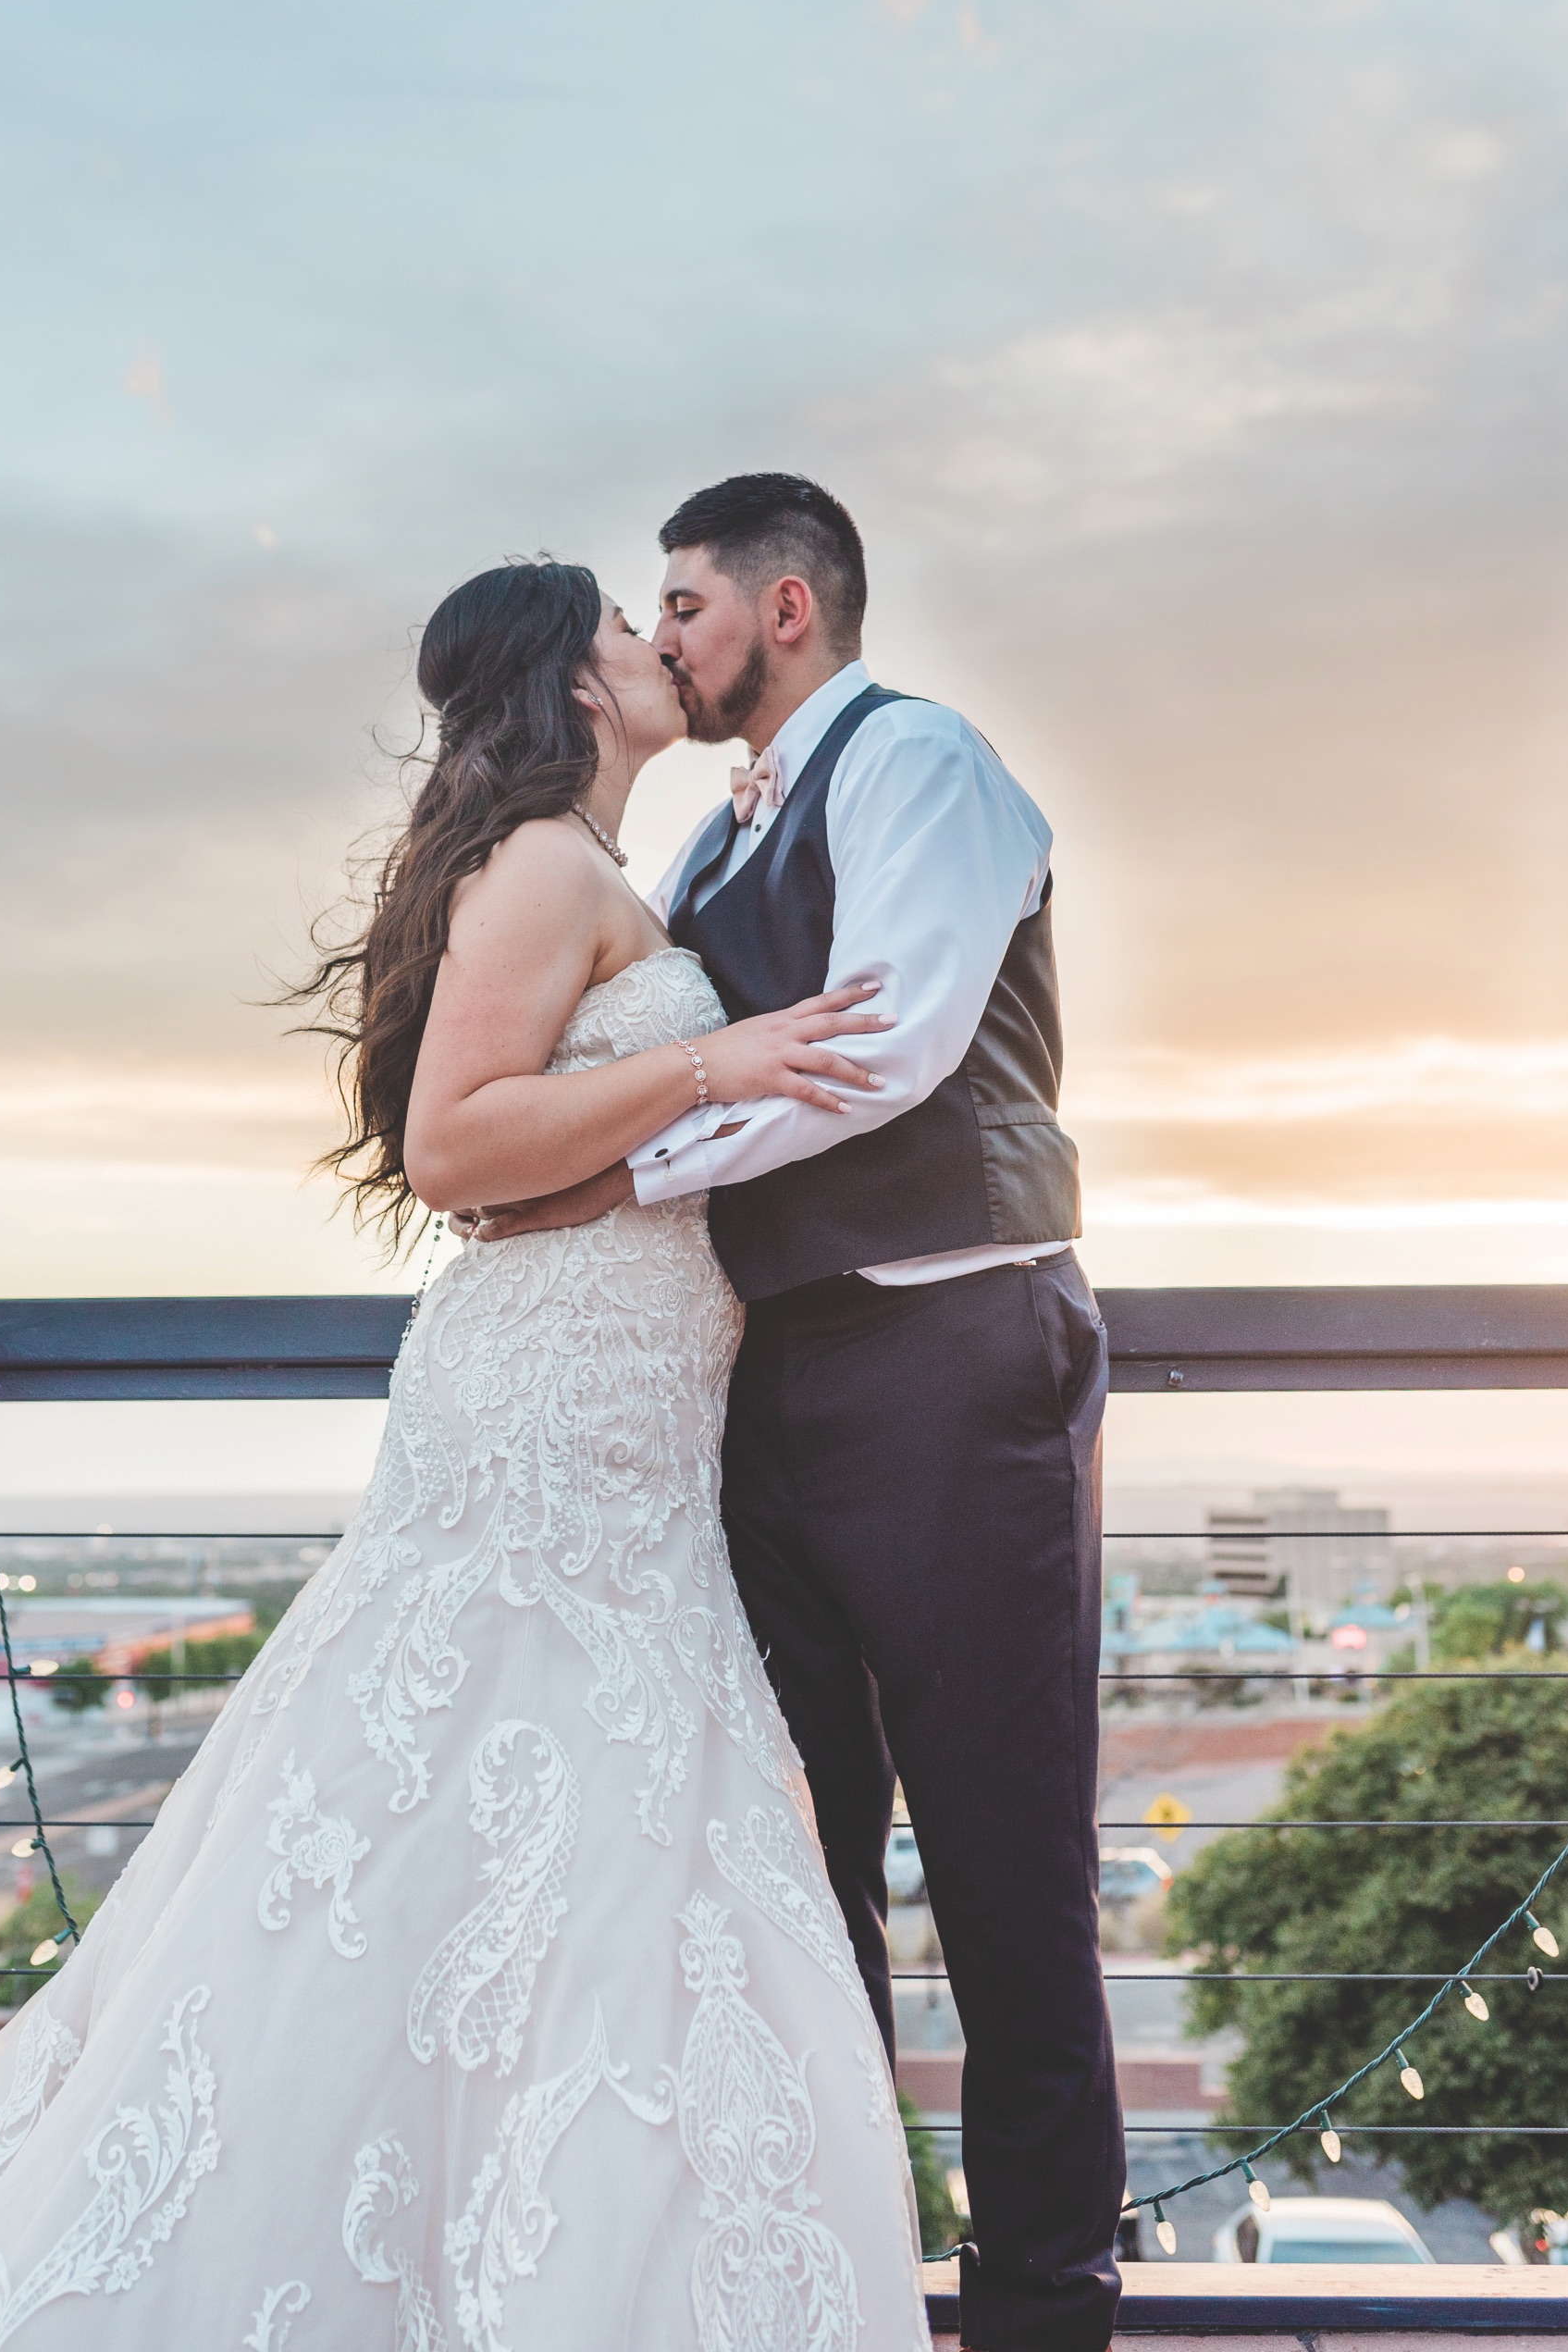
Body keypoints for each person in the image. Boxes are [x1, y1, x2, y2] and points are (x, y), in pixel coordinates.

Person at [0, 562, 928, 2352]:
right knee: (521, 1809)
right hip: (549, 1417)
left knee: (531, 1830)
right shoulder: (546, 863)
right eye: (625, 623)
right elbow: (454, 1145)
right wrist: (721, 1069)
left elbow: (529, 1181)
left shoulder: (608, 874)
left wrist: (659, 1152)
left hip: (623, 1406)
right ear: (570, 680)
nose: (652, 642)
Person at [472, 477, 1125, 2352]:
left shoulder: (922, 766)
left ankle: (1038, 2305)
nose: (658, 635)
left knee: (1007, 1858)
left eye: (680, 602)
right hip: (773, 1384)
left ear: (783, 604)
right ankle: (836, 2279)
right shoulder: (705, 850)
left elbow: (886, 1045)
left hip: (948, 1352)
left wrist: (625, 1173)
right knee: (797, 1855)